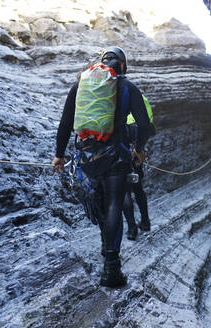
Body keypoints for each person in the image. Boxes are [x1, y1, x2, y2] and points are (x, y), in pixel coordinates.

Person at [51, 46, 150, 288]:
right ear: (123, 65)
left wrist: (59, 155)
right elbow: (144, 123)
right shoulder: (127, 86)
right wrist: (138, 149)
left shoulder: (81, 85)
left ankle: (107, 250)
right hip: (116, 156)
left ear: (102, 63)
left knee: (100, 206)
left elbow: (65, 122)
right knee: (115, 202)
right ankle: (111, 267)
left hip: (86, 157)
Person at [122, 95, 153, 241]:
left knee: (124, 190)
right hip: (137, 144)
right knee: (137, 186)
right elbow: (148, 124)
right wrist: (140, 148)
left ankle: (132, 228)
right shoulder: (141, 98)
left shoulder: (118, 95)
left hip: (124, 144)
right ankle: (145, 221)